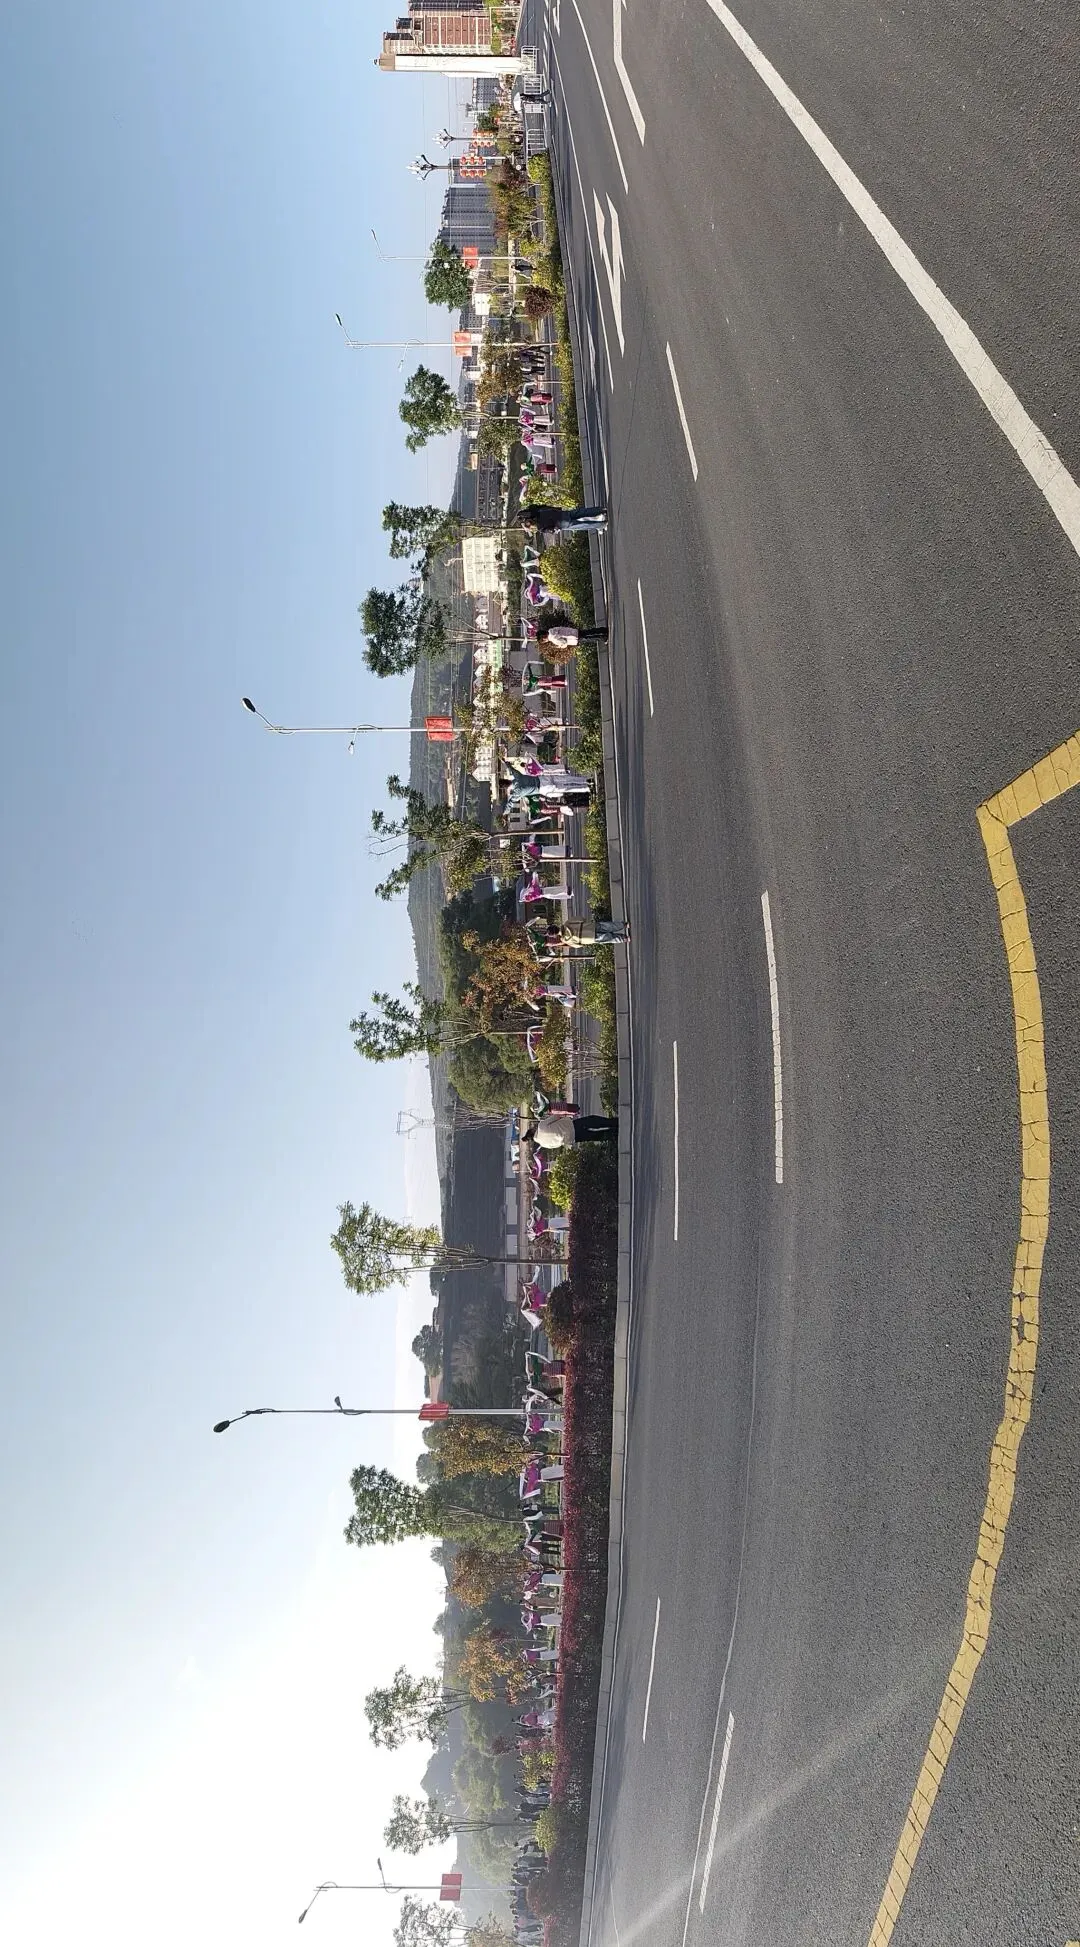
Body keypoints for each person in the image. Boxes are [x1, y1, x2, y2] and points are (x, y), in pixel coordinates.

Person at [523, 1110, 619, 1149]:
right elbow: (556, 1117)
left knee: (595, 1136)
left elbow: (557, 1145)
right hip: (571, 1126)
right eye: (533, 1128)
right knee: (593, 1121)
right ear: (532, 1131)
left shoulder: (544, 1144)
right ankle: (613, 1123)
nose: (534, 1127)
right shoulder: (541, 1126)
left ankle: (614, 1134)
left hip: (573, 1138)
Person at [520, 502, 608, 535]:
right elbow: (546, 508)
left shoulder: (540, 528)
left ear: (531, 526)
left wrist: (555, 529)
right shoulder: (538, 512)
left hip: (562, 524)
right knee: (582, 512)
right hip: (561, 514)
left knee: (583, 525)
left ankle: (602, 524)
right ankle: (601, 510)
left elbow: (551, 530)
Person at [537, 622, 608, 650]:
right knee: (589, 632)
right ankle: (603, 630)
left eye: (543, 641)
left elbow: (564, 642)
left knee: (590, 638)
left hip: (573, 638)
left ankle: (602, 637)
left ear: (544, 637)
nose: (545, 641)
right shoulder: (552, 630)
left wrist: (560, 646)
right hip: (573, 632)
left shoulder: (553, 638)